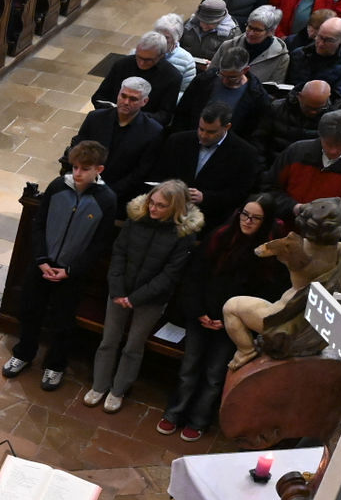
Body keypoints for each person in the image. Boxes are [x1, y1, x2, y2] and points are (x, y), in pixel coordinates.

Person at [159, 198, 289, 441]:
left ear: (266, 221)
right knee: (189, 367)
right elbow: (195, 276)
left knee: (215, 374)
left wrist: (228, 320)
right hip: (202, 316)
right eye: (244, 214)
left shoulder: (269, 254)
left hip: (235, 325)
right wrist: (199, 311)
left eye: (255, 218)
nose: (247, 221)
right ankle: (174, 413)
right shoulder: (220, 237)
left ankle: (199, 420)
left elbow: (265, 297)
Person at [5, 141, 120, 388]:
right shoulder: (58, 186)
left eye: (85, 169)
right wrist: (41, 259)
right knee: (29, 310)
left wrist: (70, 270)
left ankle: (55, 365)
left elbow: (99, 244)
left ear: (99, 169)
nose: (77, 173)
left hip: (71, 272)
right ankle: (23, 353)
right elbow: (39, 224)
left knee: (63, 321)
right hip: (43, 264)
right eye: (75, 167)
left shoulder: (107, 199)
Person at [84, 180, 203, 412]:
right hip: (120, 290)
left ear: (175, 208)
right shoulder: (136, 218)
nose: (153, 208)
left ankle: (118, 390)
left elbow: (170, 274)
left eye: (161, 205)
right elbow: (119, 252)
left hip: (151, 300)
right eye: (152, 202)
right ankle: (99, 386)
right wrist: (118, 290)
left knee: (133, 346)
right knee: (108, 341)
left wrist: (135, 298)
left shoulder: (184, 234)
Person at [151, 101, 263, 229]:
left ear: (227, 127)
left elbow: (240, 193)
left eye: (211, 132)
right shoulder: (177, 141)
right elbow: (160, 174)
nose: (203, 135)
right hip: (168, 215)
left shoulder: (245, 154)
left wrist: (205, 198)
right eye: (201, 129)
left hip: (210, 221)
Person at [265, 108, 341, 228]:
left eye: (340, 145)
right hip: (283, 229)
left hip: (328, 236)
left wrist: (331, 226)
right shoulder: (295, 152)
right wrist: (295, 208)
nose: (333, 151)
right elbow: (269, 189)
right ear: (320, 135)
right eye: (328, 144)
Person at [72, 76, 165, 197]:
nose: (126, 102)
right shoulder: (95, 118)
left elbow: (141, 171)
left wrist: (109, 193)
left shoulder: (153, 131)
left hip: (119, 194)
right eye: (123, 96)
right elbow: (78, 149)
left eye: (133, 99)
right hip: (83, 184)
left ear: (144, 101)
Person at [175, 45, 266, 133]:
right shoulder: (204, 80)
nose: (225, 80)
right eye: (222, 75)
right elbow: (183, 112)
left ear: (245, 70)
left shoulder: (256, 95)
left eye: (232, 77)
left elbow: (258, 129)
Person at [94, 32, 183, 114]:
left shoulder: (172, 77)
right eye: (138, 57)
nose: (141, 63)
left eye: (148, 60)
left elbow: (164, 115)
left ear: (161, 56)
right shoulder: (122, 65)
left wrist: (133, 118)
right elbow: (99, 97)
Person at [287, 15, 341, 104]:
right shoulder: (299, 54)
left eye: (328, 40)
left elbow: (339, 97)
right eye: (319, 37)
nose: (321, 44)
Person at [216, 4, 289, 84]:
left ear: (270, 32)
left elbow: (274, 87)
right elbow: (211, 75)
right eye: (250, 27)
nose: (250, 33)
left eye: (257, 30)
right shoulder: (228, 46)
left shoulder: (280, 57)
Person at [180, 0, 240, 65]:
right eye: (202, 21)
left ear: (220, 21)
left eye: (209, 23)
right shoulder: (189, 24)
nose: (204, 26)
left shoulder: (232, 35)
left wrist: (214, 66)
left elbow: (231, 62)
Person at [154, 12, 200, 90]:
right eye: (158, 35)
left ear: (176, 39)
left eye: (166, 37)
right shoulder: (143, 50)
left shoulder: (187, 60)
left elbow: (185, 90)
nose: (161, 39)